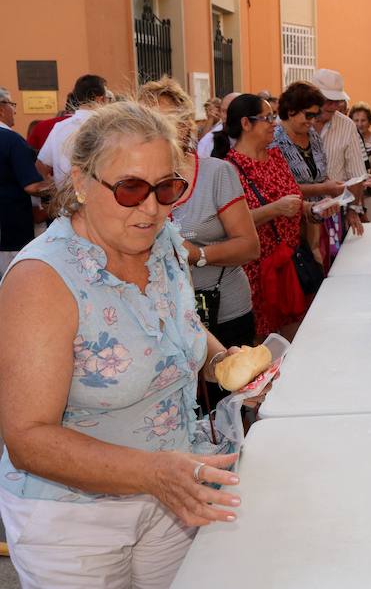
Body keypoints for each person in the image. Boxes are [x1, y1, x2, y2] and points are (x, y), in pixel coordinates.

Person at [0, 101, 255, 588]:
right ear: (80, 182)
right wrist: (153, 472)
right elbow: (28, 437)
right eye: (131, 188)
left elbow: (173, 327)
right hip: (74, 524)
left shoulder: (163, 243)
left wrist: (224, 362)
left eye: (167, 188)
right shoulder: (43, 280)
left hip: (172, 495)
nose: (152, 207)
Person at [138, 79, 260, 407]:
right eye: (148, 118)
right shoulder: (135, 185)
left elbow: (250, 246)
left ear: (185, 124)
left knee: (231, 409)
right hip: (164, 321)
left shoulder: (215, 173)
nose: (159, 127)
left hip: (223, 312)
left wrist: (196, 255)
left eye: (168, 117)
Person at [212, 94, 334, 341]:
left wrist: (312, 210)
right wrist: (275, 209)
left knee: (297, 338)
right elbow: (229, 224)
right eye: (267, 118)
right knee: (264, 343)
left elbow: (294, 199)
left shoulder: (276, 157)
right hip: (257, 273)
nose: (274, 123)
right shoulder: (228, 168)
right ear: (246, 124)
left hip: (288, 263)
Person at [270, 82, 349, 269]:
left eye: (315, 115)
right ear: (290, 111)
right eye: (309, 115)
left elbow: (320, 173)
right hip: (291, 225)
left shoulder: (312, 135)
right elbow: (280, 189)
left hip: (319, 220)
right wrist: (324, 188)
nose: (312, 121)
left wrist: (332, 184)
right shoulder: (274, 140)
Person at [310, 68, 366, 238]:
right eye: (329, 100)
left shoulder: (347, 126)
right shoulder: (292, 124)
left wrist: (353, 209)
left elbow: (356, 174)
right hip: (297, 213)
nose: (335, 106)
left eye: (338, 101)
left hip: (334, 214)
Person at [0, 87, 48, 277]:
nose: (15, 111)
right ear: (1, 109)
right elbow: (32, 186)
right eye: (12, 104)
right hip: (10, 232)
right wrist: (61, 188)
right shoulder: (12, 141)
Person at [37, 74, 108, 187]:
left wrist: (53, 186)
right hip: (99, 199)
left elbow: (41, 165)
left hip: (66, 200)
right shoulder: (108, 126)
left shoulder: (59, 127)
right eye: (107, 98)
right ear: (100, 99)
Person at [196, 92, 240, 158]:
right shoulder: (202, 125)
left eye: (211, 110)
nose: (208, 113)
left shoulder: (223, 125)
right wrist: (210, 120)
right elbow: (203, 142)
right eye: (206, 110)